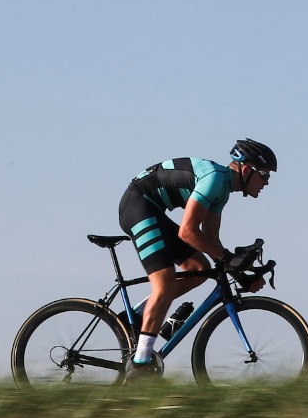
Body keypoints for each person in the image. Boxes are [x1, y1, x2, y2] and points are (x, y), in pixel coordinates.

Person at [118, 138, 277, 370]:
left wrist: (240, 273)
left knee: (198, 270)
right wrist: (227, 258)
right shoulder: (214, 179)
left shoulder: (223, 190)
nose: (267, 182)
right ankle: (141, 363)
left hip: (153, 210)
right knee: (164, 285)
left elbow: (210, 241)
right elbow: (188, 232)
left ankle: (135, 315)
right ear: (246, 169)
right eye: (264, 175)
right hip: (138, 206)